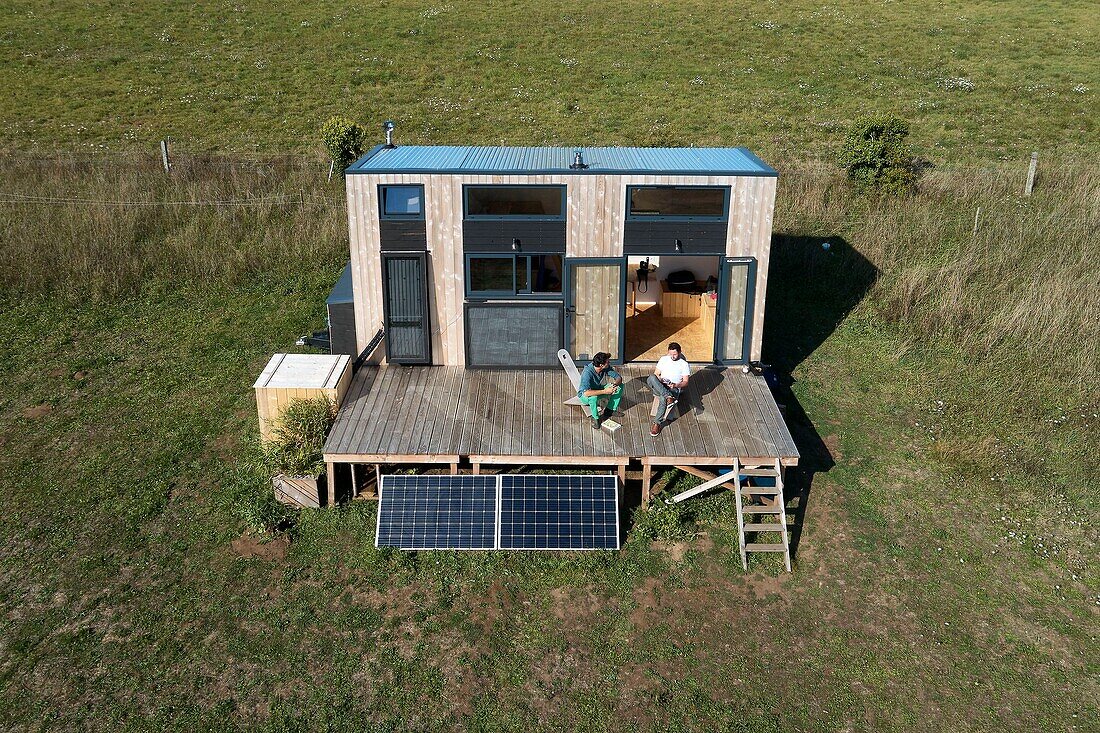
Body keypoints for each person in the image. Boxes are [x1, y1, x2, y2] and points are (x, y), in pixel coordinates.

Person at [648, 342, 690, 436]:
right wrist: (660, 380)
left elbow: (686, 382)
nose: (672, 356)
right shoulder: (663, 359)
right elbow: (656, 374)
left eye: (674, 354)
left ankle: (656, 424)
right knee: (651, 377)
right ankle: (668, 396)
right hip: (661, 385)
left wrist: (675, 385)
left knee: (663, 398)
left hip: (673, 388)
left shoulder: (684, 364)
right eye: (670, 354)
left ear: (679, 352)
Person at [577, 352, 623, 429]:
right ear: (601, 365)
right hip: (585, 395)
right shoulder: (587, 373)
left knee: (620, 386)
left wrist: (614, 385)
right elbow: (586, 393)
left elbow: (618, 377)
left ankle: (609, 410)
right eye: (608, 362)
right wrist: (605, 391)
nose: (609, 363)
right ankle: (596, 418)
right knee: (593, 398)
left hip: (598, 389)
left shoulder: (605, 367)